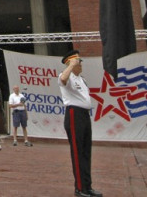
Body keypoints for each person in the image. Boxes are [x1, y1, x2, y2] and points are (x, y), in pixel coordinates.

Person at [58, 50, 103, 197]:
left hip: (84, 115)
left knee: (86, 152)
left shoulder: (81, 79)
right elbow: (63, 79)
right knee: (77, 153)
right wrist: (71, 65)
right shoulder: (66, 76)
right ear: (71, 62)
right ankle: (79, 188)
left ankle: (87, 186)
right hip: (73, 114)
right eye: (78, 61)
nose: (81, 64)